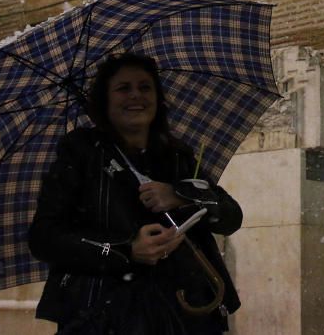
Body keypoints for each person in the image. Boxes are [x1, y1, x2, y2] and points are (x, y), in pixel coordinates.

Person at [29, 53, 244, 333]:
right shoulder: (80, 154)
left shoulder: (177, 157)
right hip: (103, 317)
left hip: (184, 314)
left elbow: (231, 217)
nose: (136, 96)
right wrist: (126, 250)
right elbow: (45, 237)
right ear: (105, 101)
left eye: (145, 87)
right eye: (123, 88)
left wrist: (181, 195)